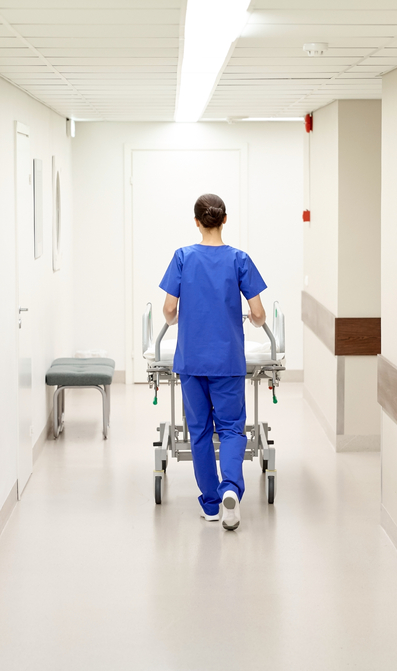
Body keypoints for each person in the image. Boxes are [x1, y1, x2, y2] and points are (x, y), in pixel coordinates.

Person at [159, 194, 267, 531]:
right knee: (233, 428)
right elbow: (260, 314)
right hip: (227, 360)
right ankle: (231, 488)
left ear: (196, 221)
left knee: (200, 431)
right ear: (224, 220)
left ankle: (209, 504)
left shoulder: (182, 257)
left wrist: (176, 317)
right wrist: (254, 318)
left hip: (191, 361)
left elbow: (168, 309)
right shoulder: (239, 259)